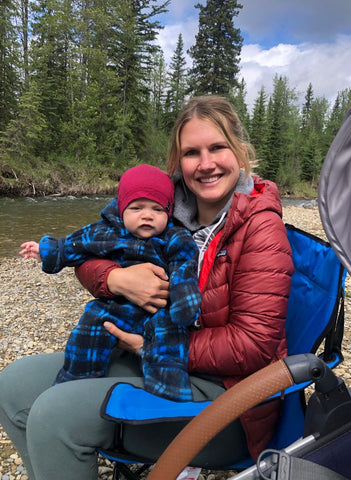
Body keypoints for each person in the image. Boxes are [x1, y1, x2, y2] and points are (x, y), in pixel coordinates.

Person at [0, 95, 294, 480]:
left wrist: (149, 346)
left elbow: (253, 345)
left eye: (218, 147)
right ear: (177, 161)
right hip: (148, 353)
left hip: (226, 400)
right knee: (13, 387)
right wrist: (117, 279)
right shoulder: (159, 205)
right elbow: (92, 247)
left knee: (55, 416)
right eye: (192, 152)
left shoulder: (260, 228)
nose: (206, 164)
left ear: (240, 152)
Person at [19, 164, 201, 402]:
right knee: (90, 325)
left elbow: (184, 269)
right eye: (137, 208)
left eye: (157, 209)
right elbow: (75, 245)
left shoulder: (174, 237)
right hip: (115, 306)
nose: (147, 215)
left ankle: (169, 392)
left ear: (169, 212)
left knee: (170, 338)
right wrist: (46, 249)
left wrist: (184, 303)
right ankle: (76, 380)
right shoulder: (106, 231)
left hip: (159, 309)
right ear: (121, 209)